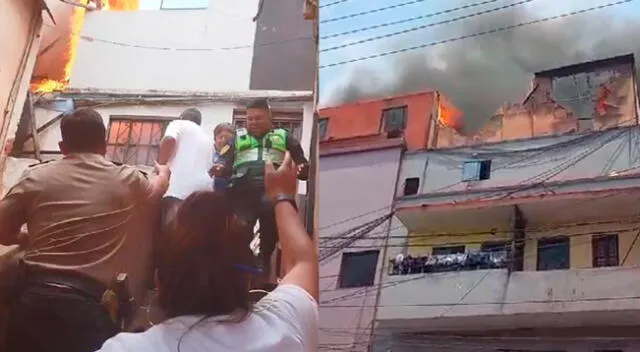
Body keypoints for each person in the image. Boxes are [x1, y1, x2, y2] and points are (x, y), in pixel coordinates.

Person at [96, 152, 319, 352]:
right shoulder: (285, 327)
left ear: (158, 281)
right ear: (248, 279)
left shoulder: (125, 348)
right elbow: (303, 263)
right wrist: (282, 196)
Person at [0, 108, 170, 352]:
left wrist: (26, 237)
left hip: (32, 304)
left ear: (62, 146)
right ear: (104, 145)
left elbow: (2, 231)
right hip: (88, 312)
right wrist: (163, 173)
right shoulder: (127, 179)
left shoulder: (33, 178)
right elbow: (157, 189)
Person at [212, 98, 310, 277]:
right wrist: (219, 169)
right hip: (242, 192)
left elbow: (301, 163)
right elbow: (224, 162)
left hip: (271, 190)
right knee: (239, 230)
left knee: (270, 231)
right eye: (250, 119)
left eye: (258, 118)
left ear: (269, 117)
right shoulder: (236, 139)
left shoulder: (284, 136)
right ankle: (242, 267)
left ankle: (264, 262)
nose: (253, 122)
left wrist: (302, 169)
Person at [157, 108, 213, 233]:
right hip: (202, 191)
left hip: (178, 188)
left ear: (181, 117)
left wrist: (162, 165)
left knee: (171, 231)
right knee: (192, 235)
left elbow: (169, 139)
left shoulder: (177, 124)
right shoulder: (207, 137)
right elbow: (209, 168)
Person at [210, 122, 234, 192]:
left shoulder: (236, 156)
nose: (223, 140)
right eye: (220, 137)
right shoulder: (207, 153)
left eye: (227, 138)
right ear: (215, 139)